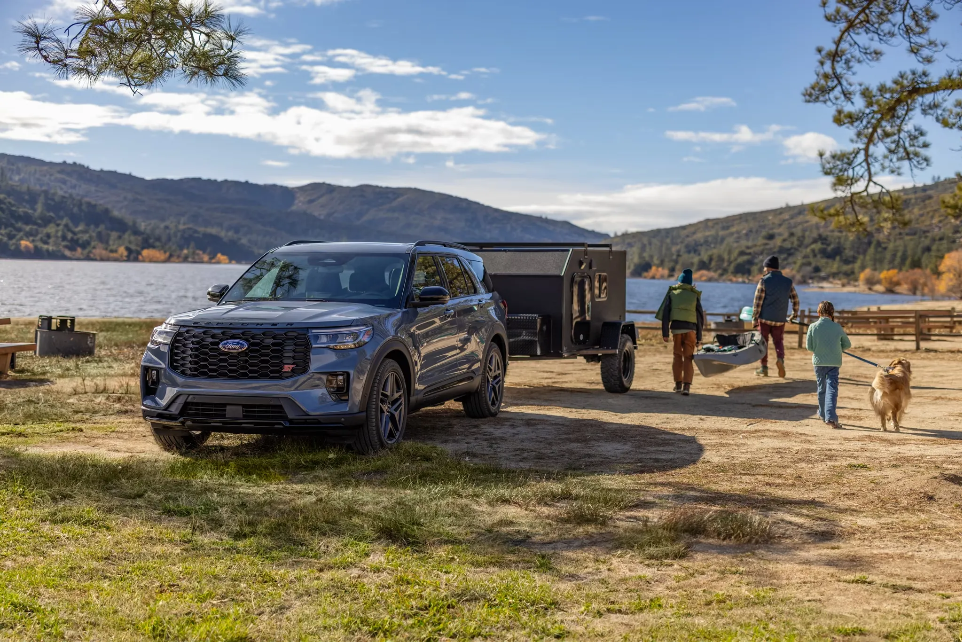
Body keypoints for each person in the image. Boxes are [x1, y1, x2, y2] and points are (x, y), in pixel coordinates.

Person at [656, 268, 705, 396]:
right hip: (691, 331)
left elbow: (665, 314)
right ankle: (686, 387)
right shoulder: (694, 296)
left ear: (679, 281)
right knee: (688, 357)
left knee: (677, 356)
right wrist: (699, 337)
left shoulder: (672, 294)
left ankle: (678, 385)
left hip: (676, 330)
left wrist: (665, 333)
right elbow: (700, 318)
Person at [805, 301, 851, 429]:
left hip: (819, 362)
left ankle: (823, 414)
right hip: (834, 362)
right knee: (832, 389)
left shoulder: (813, 327)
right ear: (832, 313)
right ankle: (830, 417)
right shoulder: (837, 327)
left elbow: (809, 347)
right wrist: (838, 348)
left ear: (818, 313)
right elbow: (847, 344)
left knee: (821, 388)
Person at [751, 256, 799, 378]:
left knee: (763, 342)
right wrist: (794, 314)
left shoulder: (764, 280)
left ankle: (764, 368)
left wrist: (754, 318)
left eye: (764, 267)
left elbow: (757, 302)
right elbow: (795, 299)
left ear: (768, 268)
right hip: (780, 319)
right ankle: (780, 359)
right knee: (778, 341)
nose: (764, 270)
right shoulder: (788, 282)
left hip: (765, 319)